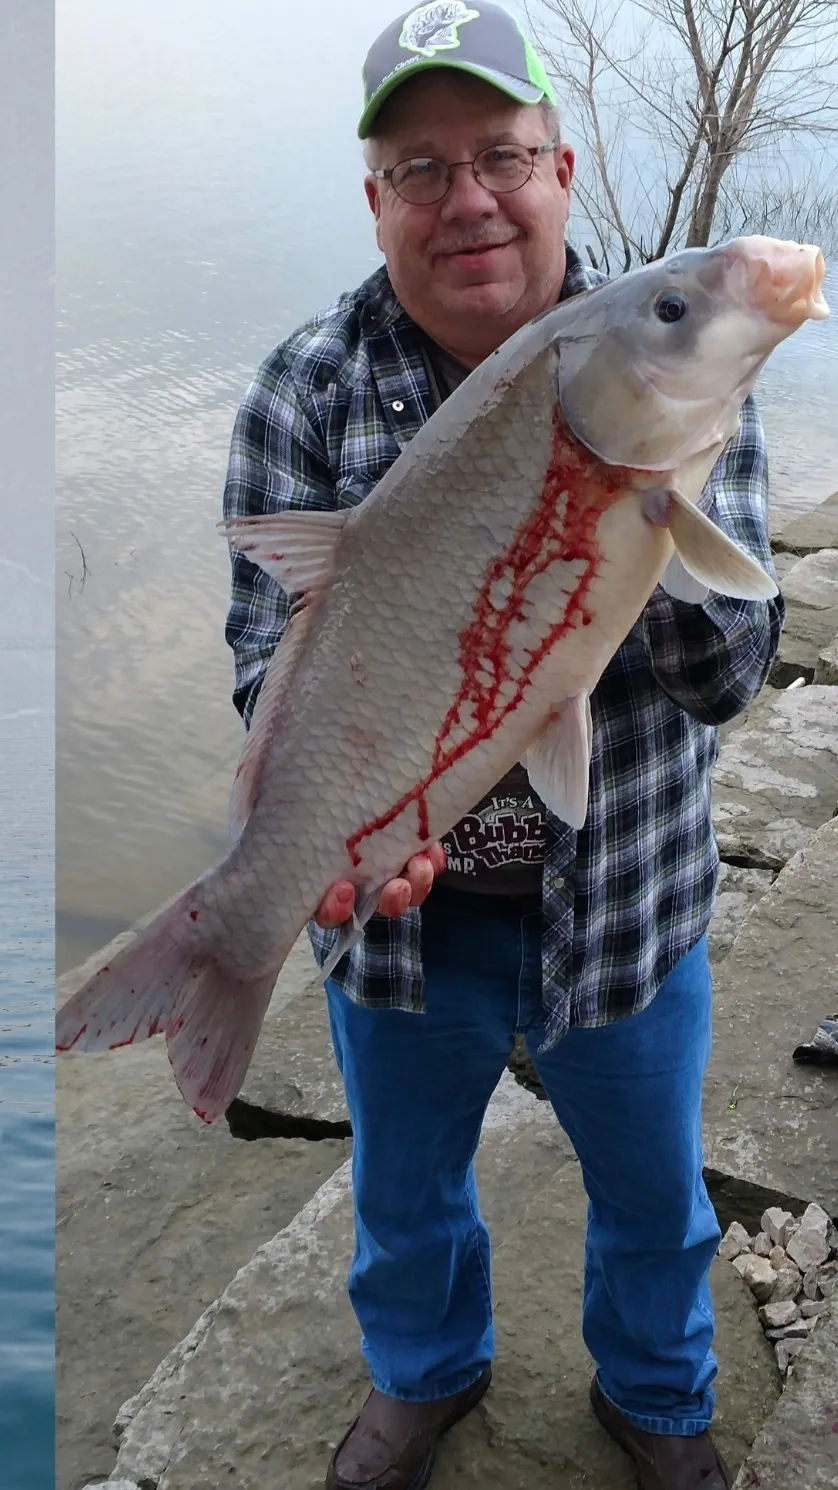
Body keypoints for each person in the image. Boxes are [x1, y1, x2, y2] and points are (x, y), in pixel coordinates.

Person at [222, 5, 783, 1487]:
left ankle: (660, 1399)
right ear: (375, 199)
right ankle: (423, 1375)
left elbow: (732, 670)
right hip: (409, 928)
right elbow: (257, 659)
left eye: (500, 156)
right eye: (421, 168)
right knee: (403, 1192)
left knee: (657, 1196)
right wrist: (327, 831)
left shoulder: (660, 354)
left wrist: (619, 513)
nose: (467, 197)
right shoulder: (304, 386)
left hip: (631, 888)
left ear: (561, 167)